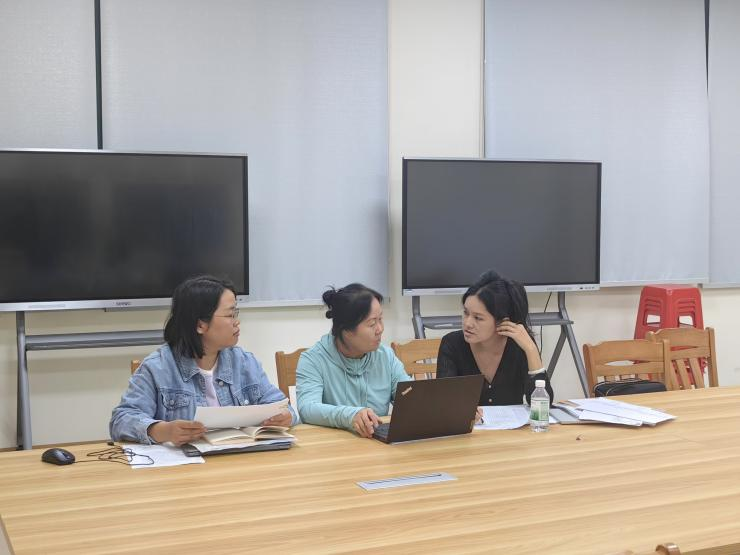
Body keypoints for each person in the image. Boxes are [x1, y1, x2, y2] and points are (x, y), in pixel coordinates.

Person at [110, 275, 297, 445]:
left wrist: (286, 416)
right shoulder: (157, 367)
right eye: (230, 315)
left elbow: (283, 406)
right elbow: (121, 420)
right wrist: (163, 431)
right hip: (187, 466)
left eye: (236, 314)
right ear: (200, 325)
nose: (237, 322)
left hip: (240, 460)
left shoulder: (244, 362)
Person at [296, 283, 411, 438]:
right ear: (347, 330)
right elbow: (308, 409)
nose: (380, 329)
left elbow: (408, 396)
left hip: (379, 444)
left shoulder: (385, 356)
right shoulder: (314, 360)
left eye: (381, 319)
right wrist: (350, 415)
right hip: (335, 445)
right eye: (372, 323)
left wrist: (420, 401)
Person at [436, 270, 553, 405]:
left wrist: (531, 349)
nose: (467, 323)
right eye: (466, 313)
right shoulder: (452, 344)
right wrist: (462, 408)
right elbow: (443, 401)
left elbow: (542, 404)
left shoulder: (519, 345)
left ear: (502, 321)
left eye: (478, 318)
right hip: (468, 420)